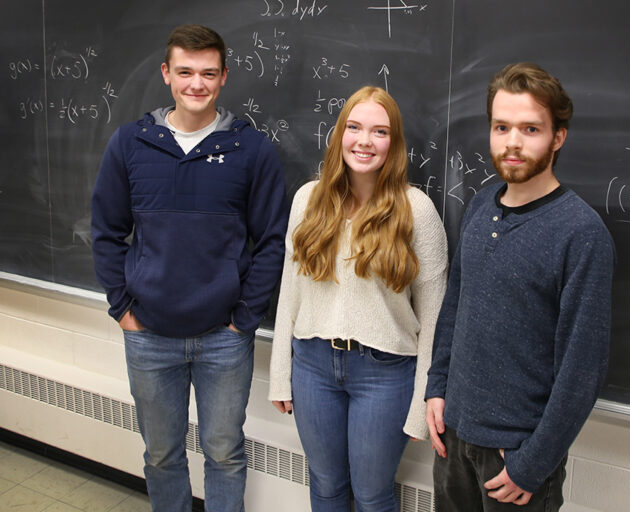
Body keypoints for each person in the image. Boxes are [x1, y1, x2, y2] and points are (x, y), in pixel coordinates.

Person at [91, 24, 288, 512]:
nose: (195, 84)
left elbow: (272, 242)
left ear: (223, 78)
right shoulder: (130, 145)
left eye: (207, 73)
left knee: (224, 453)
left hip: (224, 338)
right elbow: (106, 231)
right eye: (184, 72)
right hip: (149, 335)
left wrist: (244, 317)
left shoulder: (253, 151)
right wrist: (123, 309)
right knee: (162, 456)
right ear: (166, 74)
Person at [425, 62, 615, 511]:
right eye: (501, 126)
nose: (513, 142)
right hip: (454, 438)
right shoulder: (479, 206)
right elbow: (455, 307)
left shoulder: (581, 233)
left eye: (530, 128)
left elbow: (581, 369)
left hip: (516, 456)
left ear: (558, 137)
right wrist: (437, 388)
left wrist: (534, 463)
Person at [269, 85, 448, 512]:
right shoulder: (308, 201)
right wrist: (280, 372)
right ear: (339, 134)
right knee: (326, 485)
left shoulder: (415, 210)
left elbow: (436, 316)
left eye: (379, 132)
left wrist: (424, 399)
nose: (364, 141)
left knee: (371, 494)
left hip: (385, 375)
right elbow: (290, 289)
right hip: (312, 367)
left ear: (395, 143)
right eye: (354, 127)